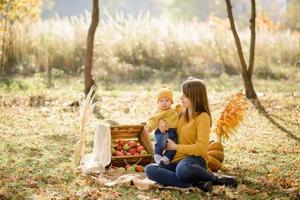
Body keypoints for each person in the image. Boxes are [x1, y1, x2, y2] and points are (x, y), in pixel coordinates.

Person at [145, 78, 238, 192]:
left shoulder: (203, 117)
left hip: (194, 160)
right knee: (150, 169)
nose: (181, 98)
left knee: (183, 170)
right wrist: (160, 121)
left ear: (194, 97)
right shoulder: (180, 110)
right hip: (175, 160)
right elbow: (162, 111)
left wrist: (175, 147)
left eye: (185, 95)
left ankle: (215, 179)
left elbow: (201, 148)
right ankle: (197, 184)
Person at [145, 85, 178, 165]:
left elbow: (178, 120)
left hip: (173, 132)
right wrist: (150, 127)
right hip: (162, 132)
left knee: (174, 146)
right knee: (162, 141)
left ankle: (166, 158)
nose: (164, 103)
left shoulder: (173, 111)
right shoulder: (158, 112)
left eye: (167, 100)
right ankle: (158, 154)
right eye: (161, 101)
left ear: (171, 102)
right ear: (158, 103)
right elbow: (153, 119)